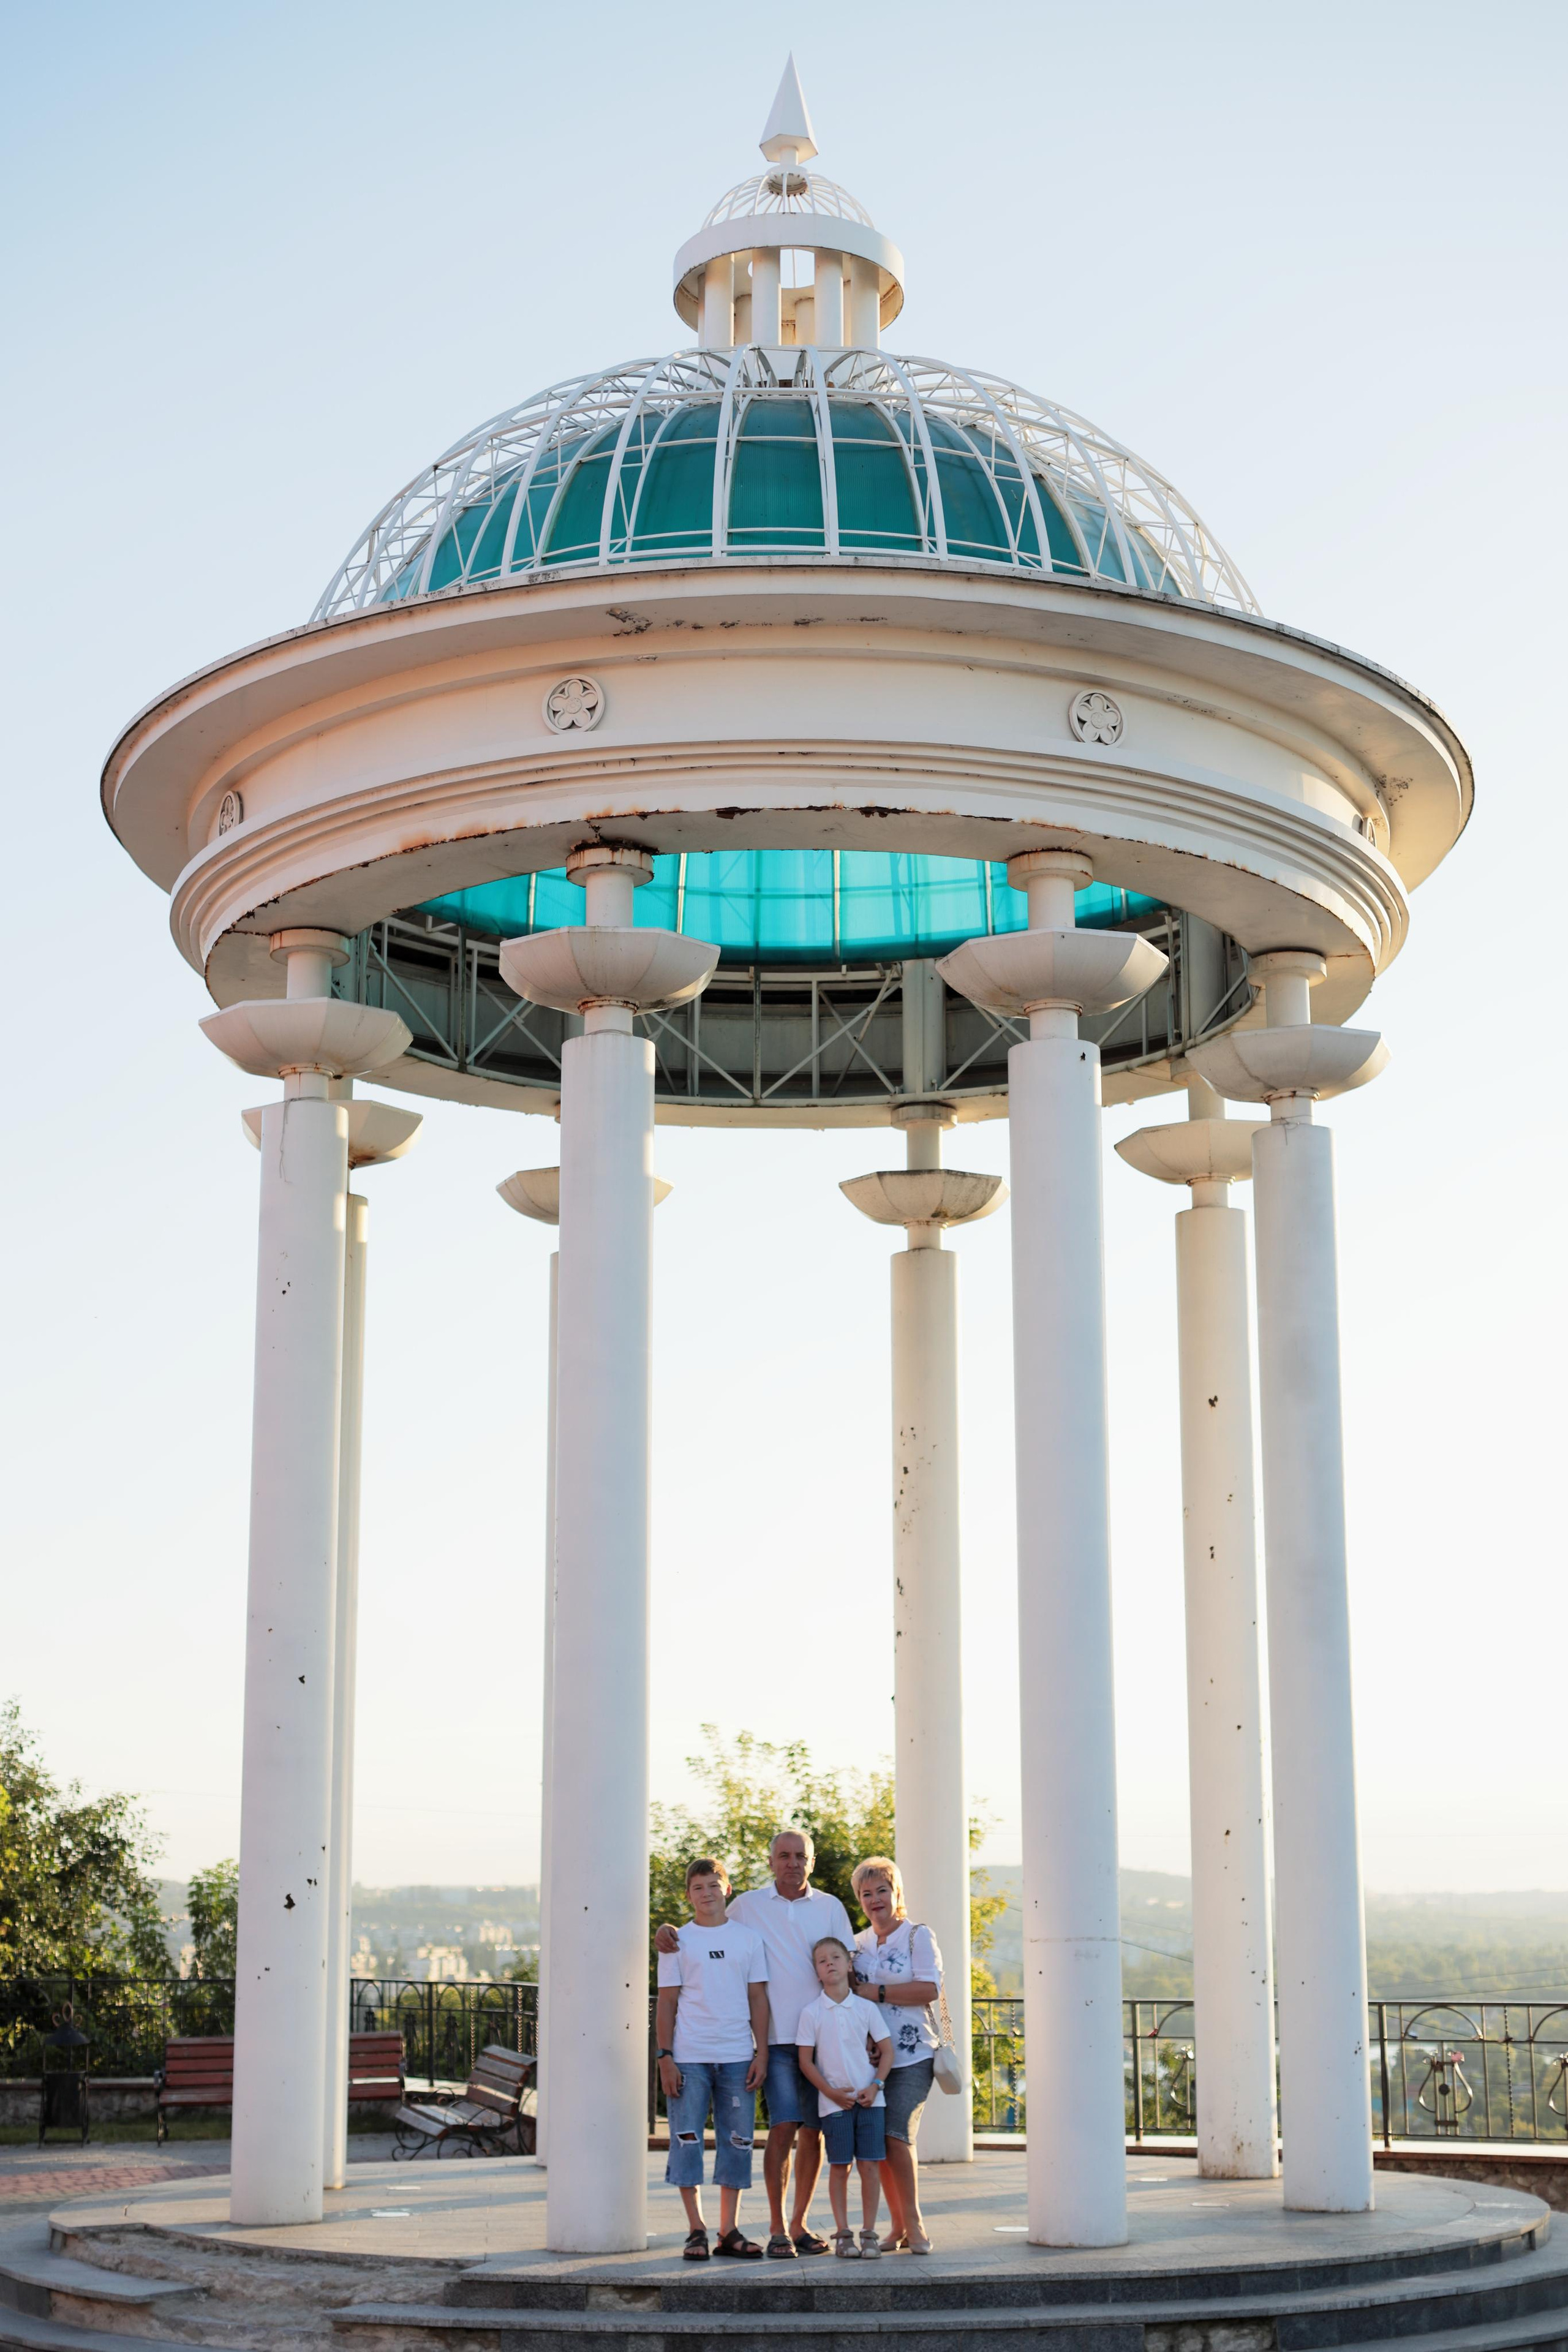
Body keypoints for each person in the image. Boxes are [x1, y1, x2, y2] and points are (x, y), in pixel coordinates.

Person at [655, 1830, 853, 2258]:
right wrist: (666, 1930)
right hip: (776, 2041)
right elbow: (704, 1925)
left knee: (814, 2134)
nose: (792, 1863)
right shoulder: (748, 1906)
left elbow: (847, 1969)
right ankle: (775, 2227)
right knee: (783, 2126)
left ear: (811, 1862)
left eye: (801, 1856)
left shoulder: (831, 1907)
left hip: (823, 2038)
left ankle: (796, 2224)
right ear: (771, 1861)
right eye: (784, 1855)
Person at [655, 1857, 771, 2262]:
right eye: (698, 1887)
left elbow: (758, 1998)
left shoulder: (749, 1940)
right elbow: (667, 2003)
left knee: (737, 2142)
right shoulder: (676, 1942)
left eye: (713, 1885)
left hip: (739, 2056)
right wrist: (665, 2057)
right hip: (689, 2058)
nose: (707, 1893)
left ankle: (729, 2230)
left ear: (728, 1888)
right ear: (689, 1895)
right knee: (686, 2141)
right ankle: (696, 2230)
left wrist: (763, 2051)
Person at [848, 1855, 943, 2255]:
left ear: (896, 1892)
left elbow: (929, 1990)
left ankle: (916, 2224)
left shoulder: (917, 1936)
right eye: (866, 1894)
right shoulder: (857, 1944)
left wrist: (879, 1992)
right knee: (880, 2144)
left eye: (881, 1890)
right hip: (872, 2060)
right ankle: (898, 2226)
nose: (875, 1900)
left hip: (914, 2053)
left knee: (897, 2136)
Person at [795, 1935, 892, 2260]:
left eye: (836, 1957)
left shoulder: (865, 2008)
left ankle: (869, 2233)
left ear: (848, 1963)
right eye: (822, 1961)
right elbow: (805, 2061)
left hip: (870, 2102)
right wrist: (831, 2093)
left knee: (869, 2167)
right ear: (816, 1972)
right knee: (840, 2167)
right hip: (832, 2105)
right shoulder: (811, 2013)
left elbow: (887, 2050)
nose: (830, 1964)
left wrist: (875, 2085)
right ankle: (844, 2234)